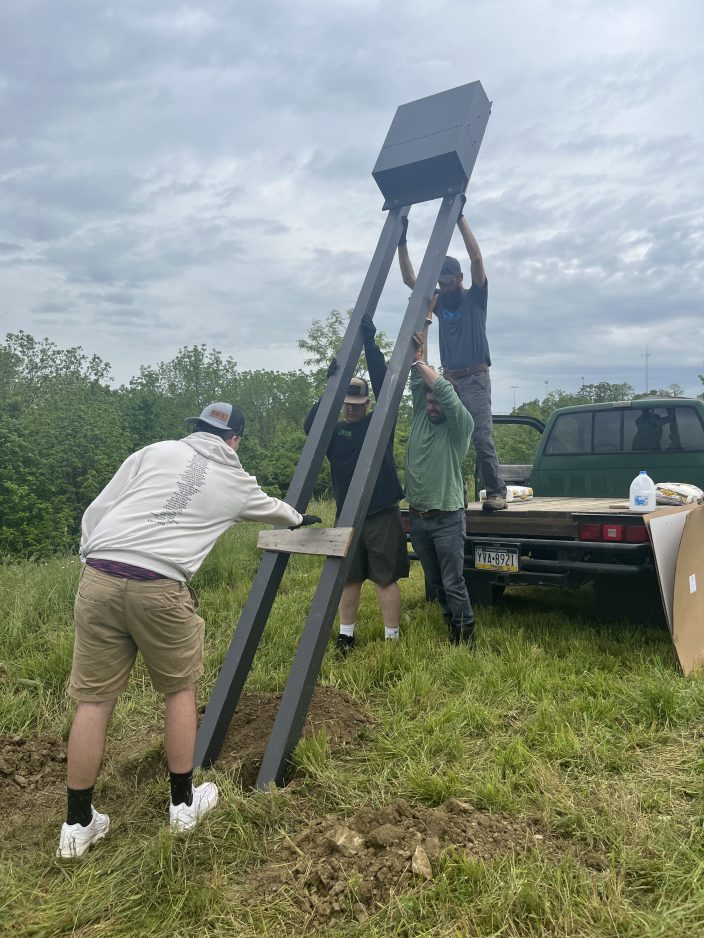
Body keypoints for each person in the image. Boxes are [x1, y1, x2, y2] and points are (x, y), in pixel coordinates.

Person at [57, 402, 320, 859]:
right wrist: (299, 518)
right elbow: (276, 511)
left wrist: (90, 557)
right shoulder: (236, 481)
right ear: (235, 440)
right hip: (159, 585)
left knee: (94, 700)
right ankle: (182, 805)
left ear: (196, 429)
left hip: (99, 576)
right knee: (179, 690)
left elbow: (100, 506)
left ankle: (77, 825)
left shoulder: (155, 451)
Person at [304, 314, 409, 654]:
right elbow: (310, 427)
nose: (351, 410)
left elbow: (387, 386)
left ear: (367, 404)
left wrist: (370, 345)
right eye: (346, 405)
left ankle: (392, 639)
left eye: (357, 405)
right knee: (348, 578)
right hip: (347, 516)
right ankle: (346, 636)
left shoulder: (379, 425)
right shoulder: (334, 432)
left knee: (385, 578)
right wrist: (330, 387)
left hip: (381, 514)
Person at [398, 202, 508, 511]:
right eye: (440, 283)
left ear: (459, 278)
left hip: (475, 377)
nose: (443, 287)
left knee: (480, 436)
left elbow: (477, 258)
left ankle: (496, 492)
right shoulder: (440, 301)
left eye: (447, 282)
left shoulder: (475, 298)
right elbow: (409, 278)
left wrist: (459, 217)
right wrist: (401, 242)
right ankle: (455, 491)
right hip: (448, 378)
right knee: (446, 436)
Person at [404, 330, 475, 645]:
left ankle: (465, 634)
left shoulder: (460, 426)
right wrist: (420, 346)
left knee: (453, 581)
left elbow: (443, 388)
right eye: (429, 401)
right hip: (418, 517)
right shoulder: (421, 414)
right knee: (434, 580)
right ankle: (450, 624)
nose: (431, 406)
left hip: (447, 518)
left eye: (437, 402)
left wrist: (420, 363)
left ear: (449, 404)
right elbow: (419, 384)